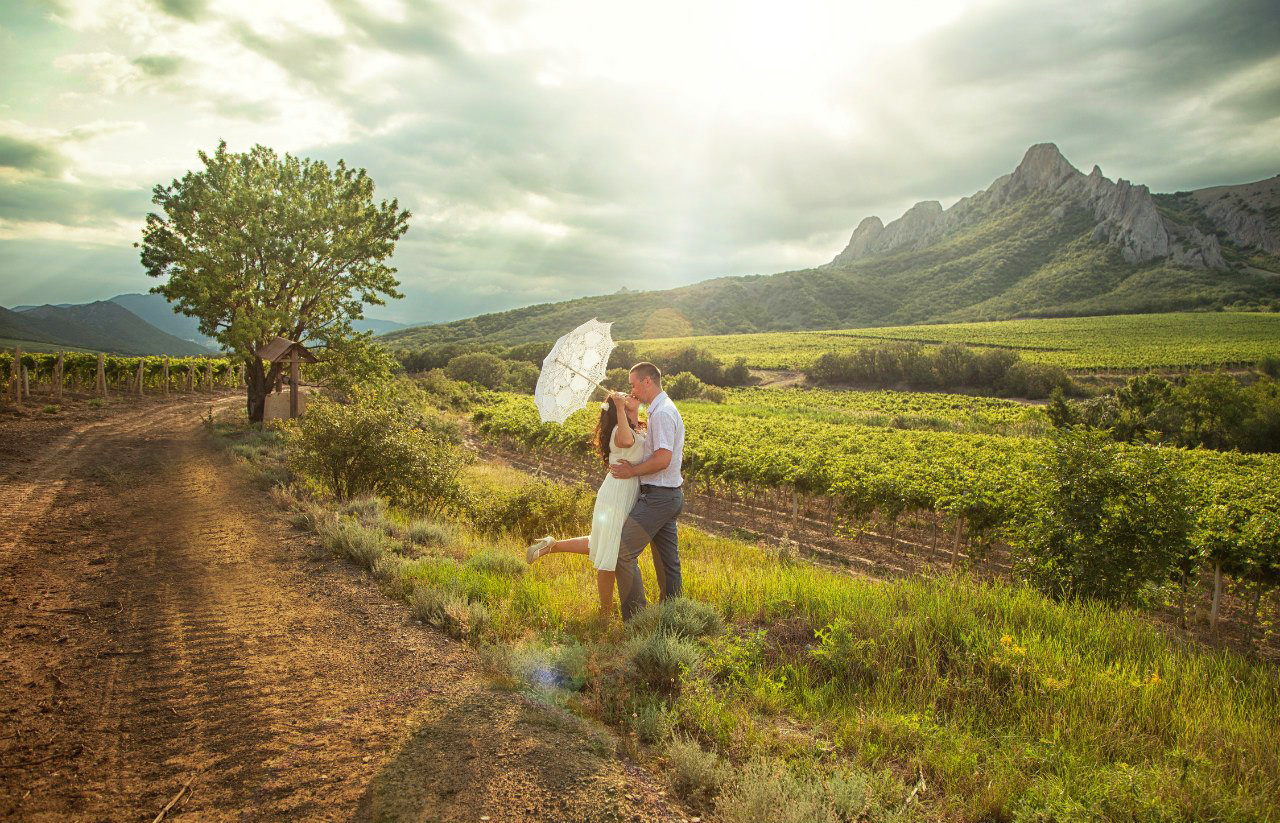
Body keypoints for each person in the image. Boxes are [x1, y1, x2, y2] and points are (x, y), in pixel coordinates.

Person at [525, 390, 644, 618]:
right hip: (617, 493)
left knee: (602, 543)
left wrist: (631, 409)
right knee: (608, 553)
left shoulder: (636, 424)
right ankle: (604, 615)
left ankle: (552, 545)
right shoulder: (621, 429)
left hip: (625, 491)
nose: (629, 394)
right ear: (617, 406)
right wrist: (621, 407)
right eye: (623, 395)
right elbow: (628, 440)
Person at [608, 362, 685, 621]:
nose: (631, 389)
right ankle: (673, 616)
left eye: (633, 384)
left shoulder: (662, 413)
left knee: (622, 551)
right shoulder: (660, 409)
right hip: (668, 495)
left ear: (647, 382)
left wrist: (633, 471)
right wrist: (630, 410)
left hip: (659, 497)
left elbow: (663, 459)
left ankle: (637, 619)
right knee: (667, 562)